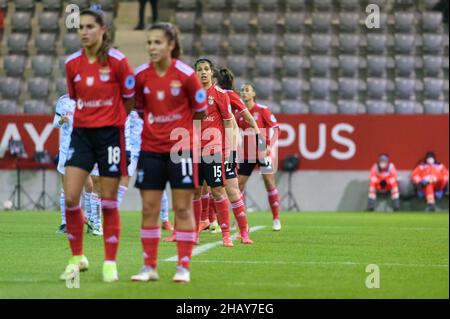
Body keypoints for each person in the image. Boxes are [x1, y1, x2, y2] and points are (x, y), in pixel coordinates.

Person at [60, 7, 135, 283]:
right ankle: (77, 256)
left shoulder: (118, 61)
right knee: (70, 197)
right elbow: (74, 97)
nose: (84, 32)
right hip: (81, 136)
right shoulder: (72, 64)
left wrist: (113, 121)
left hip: (110, 137)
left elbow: (130, 99)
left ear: (103, 30)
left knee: (109, 202)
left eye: (90, 26)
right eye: (81, 27)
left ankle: (110, 262)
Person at [131, 22, 207, 283]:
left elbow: (201, 111)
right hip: (150, 149)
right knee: (149, 209)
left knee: (182, 208)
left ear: (171, 45)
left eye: (157, 42)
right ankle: (149, 267)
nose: (152, 47)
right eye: (149, 43)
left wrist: (181, 131)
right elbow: (139, 108)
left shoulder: (186, 75)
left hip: (180, 150)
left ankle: (183, 267)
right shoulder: (141, 76)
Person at [53, 95, 102, 236]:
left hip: (82, 147)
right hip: (65, 149)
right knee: (66, 188)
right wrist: (61, 121)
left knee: (89, 184)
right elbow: (55, 123)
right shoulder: (62, 101)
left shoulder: (89, 99)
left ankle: (91, 219)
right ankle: (65, 222)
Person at [237, 83, 281, 231]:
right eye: (242, 90)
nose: (244, 93)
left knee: (269, 183)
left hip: (262, 151)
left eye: (247, 90)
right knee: (238, 185)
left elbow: (276, 129)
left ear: (253, 93)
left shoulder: (262, 110)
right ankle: (241, 220)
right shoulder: (239, 113)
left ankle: (276, 218)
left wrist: (270, 145)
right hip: (247, 154)